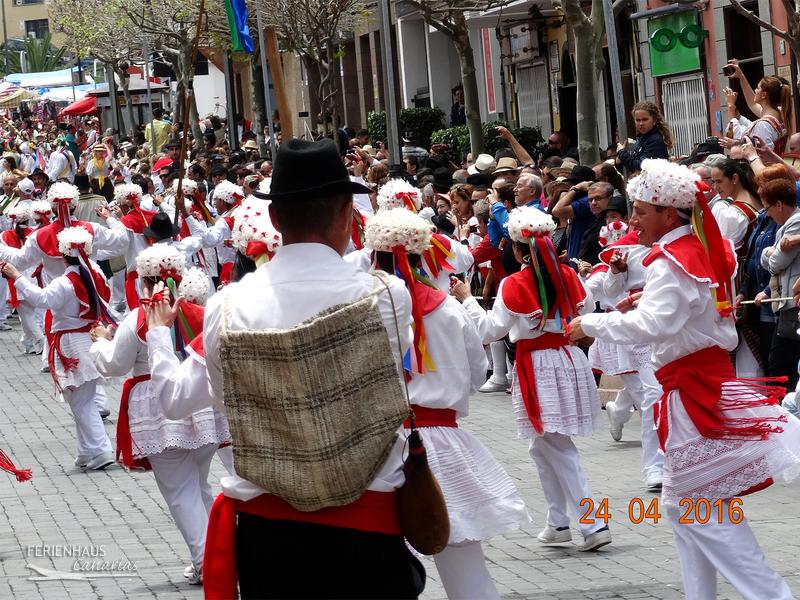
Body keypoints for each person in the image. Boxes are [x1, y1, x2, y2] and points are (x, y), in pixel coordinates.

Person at [142, 138, 425, 599]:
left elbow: (203, 398)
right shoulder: (388, 296)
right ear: (346, 214)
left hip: (268, 526)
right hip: (368, 518)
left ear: (275, 218)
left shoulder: (225, 307)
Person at [569, 158, 800, 600]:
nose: (633, 219)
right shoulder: (695, 250)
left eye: (641, 210)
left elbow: (654, 325)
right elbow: (685, 312)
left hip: (694, 390)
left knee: (699, 510)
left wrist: (592, 325)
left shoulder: (672, 261)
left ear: (668, 213)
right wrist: (640, 305)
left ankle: (773, 595)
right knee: (689, 506)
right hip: (699, 383)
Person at [451, 206, 610, 552]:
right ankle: (557, 520)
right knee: (541, 444)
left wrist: (467, 300)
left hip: (538, 365)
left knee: (555, 443)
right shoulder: (568, 276)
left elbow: (490, 330)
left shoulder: (515, 283)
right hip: (567, 359)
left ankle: (592, 521)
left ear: (520, 250)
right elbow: (584, 312)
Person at [89, 244, 230, 585]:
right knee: (198, 486)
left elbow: (115, 364)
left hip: (160, 410)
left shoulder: (140, 316)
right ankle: (219, 553)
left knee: (181, 491)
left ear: (145, 281)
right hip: (201, 405)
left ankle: (207, 562)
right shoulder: (200, 310)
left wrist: (99, 343)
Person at [2, 226, 115, 471]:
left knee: (82, 401)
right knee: (81, 398)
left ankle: (102, 448)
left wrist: (17, 277)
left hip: (73, 343)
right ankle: (87, 451)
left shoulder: (66, 281)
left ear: (63, 254)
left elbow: (42, 300)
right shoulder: (94, 271)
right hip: (91, 338)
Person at [760, 177, 800, 388]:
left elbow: (775, 263)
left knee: (781, 369)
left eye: (768, 208)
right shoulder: (786, 224)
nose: (767, 214)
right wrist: (770, 252)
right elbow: (772, 257)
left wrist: (768, 253)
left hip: (793, 306)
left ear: (779, 204)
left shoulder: (795, 221)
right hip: (788, 307)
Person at [724, 60, 791, 152]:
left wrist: (731, 106)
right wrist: (741, 76)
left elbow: (734, 133)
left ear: (764, 95)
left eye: (758, 88)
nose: (755, 90)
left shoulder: (764, 124)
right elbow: (752, 103)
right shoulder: (777, 114)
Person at [616, 101, 672, 173]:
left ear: (654, 120)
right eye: (638, 120)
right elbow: (630, 167)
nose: (641, 123)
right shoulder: (642, 138)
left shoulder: (655, 140)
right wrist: (619, 162)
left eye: (645, 119)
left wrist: (622, 153)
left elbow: (642, 167)